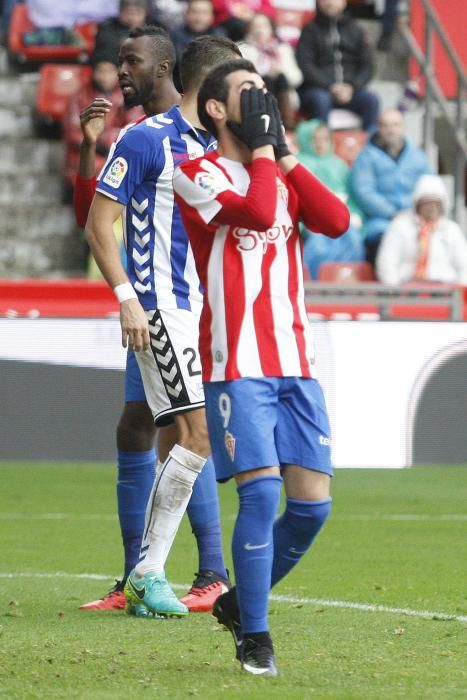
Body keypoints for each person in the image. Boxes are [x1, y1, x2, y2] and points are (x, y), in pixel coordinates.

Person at [173, 60, 349, 675]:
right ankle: (256, 634)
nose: (262, 103)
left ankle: (239, 601)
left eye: (265, 93)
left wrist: (285, 155)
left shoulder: (282, 170)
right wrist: (270, 152)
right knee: (262, 491)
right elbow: (251, 211)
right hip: (237, 362)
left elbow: (336, 221)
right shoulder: (195, 171)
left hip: (297, 361)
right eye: (249, 95)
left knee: (312, 507)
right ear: (217, 110)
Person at [76, 28, 234, 614]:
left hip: (194, 312)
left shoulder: (212, 143)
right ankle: (148, 573)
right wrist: (126, 297)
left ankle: (170, 573)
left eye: (130, 61)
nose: (120, 70)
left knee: (176, 435)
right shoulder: (144, 139)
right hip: (156, 308)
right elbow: (96, 220)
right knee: (170, 433)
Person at [351, 108, 432, 265]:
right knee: (386, 241)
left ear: (403, 128)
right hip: (381, 221)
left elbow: (429, 187)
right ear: (378, 128)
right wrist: (393, 213)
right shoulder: (365, 157)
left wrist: (417, 213)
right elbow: (364, 192)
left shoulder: (418, 157)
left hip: (416, 218)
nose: (391, 130)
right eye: (385, 125)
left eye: (395, 125)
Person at [296, 0, 379, 132]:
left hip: (351, 90)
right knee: (320, 99)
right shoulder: (309, 30)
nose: (329, 2)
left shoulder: (356, 30)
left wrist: (352, 86)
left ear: (344, 2)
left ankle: (371, 147)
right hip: (318, 89)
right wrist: (330, 86)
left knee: (371, 100)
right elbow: (306, 65)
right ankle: (320, 147)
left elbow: (367, 65)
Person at [296, 119, 364, 277]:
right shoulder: (298, 163)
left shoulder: (339, 165)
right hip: (311, 223)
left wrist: (353, 214)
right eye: (315, 139)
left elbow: (351, 195)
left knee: (353, 239)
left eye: (325, 139)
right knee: (318, 245)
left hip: (340, 219)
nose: (320, 144)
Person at [63, 49, 137, 188]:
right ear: (93, 72)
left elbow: (133, 128)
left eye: (109, 71)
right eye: (101, 71)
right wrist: (95, 144)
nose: (105, 77)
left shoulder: (128, 97)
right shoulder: (78, 97)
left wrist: (106, 139)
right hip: (86, 154)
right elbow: (73, 134)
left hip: (116, 155)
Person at [376, 174, 467, 285]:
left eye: (436, 203)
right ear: (417, 204)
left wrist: (460, 293)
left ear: (443, 205)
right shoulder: (400, 226)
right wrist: (395, 292)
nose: (432, 208)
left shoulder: (452, 230)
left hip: (446, 291)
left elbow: (464, 266)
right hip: (407, 290)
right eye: (427, 203)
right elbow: (387, 262)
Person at [239, 12, 302, 130]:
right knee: (266, 79)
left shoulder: (283, 50)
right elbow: (241, 79)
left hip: (284, 95)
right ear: (249, 30)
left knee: (280, 77)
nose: (260, 30)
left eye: (264, 26)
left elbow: (297, 78)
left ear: (272, 29)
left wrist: (279, 70)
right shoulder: (242, 50)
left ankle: (286, 121)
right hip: (254, 98)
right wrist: (264, 71)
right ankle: (269, 122)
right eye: (255, 26)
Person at [93, 0, 147, 64]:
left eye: (137, 12)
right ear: (120, 12)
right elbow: (103, 53)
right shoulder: (107, 27)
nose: (132, 17)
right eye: (128, 12)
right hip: (115, 66)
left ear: (145, 13)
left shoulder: (155, 26)